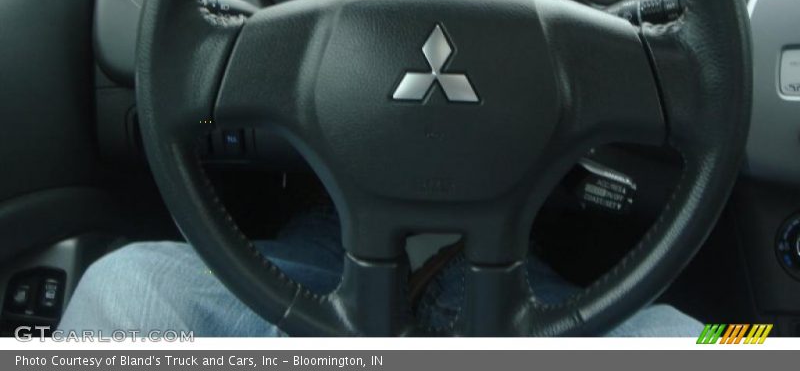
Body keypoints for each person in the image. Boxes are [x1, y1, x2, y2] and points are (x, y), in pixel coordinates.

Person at [59, 206, 702, 337]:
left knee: (125, 279)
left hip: (328, 249)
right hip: (517, 274)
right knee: (710, 342)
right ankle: (447, 265)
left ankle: (424, 269)